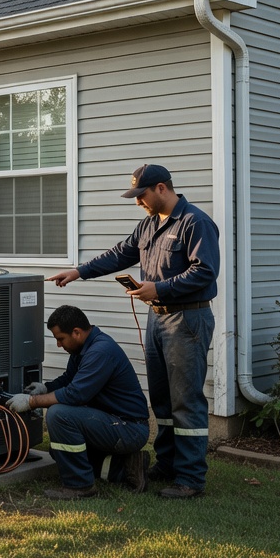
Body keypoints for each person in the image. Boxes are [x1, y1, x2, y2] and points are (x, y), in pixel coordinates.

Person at [47, 163, 219, 500]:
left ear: (161, 189)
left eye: (142, 195)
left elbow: (205, 273)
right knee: (163, 400)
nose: (138, 201)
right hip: (158, 319)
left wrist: (160, 289)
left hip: (187, 320)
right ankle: (168, 465)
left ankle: (191, 478)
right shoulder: (149, 225)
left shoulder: (194, 222)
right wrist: (79, 272)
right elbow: (119, 255)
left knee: (186, 401)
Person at [7, 305, 150, 499]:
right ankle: (125, 467)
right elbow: (69, 380)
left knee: (59, 415)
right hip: (112, 421)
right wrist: (45, 388)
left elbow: (75, 394)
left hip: (129, 428)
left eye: (60, 339)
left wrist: (32, 401)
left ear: (76, 332)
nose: (59, 345)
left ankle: (79, 486)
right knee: (59, 451)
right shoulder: (83, 348)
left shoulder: (100, 351)